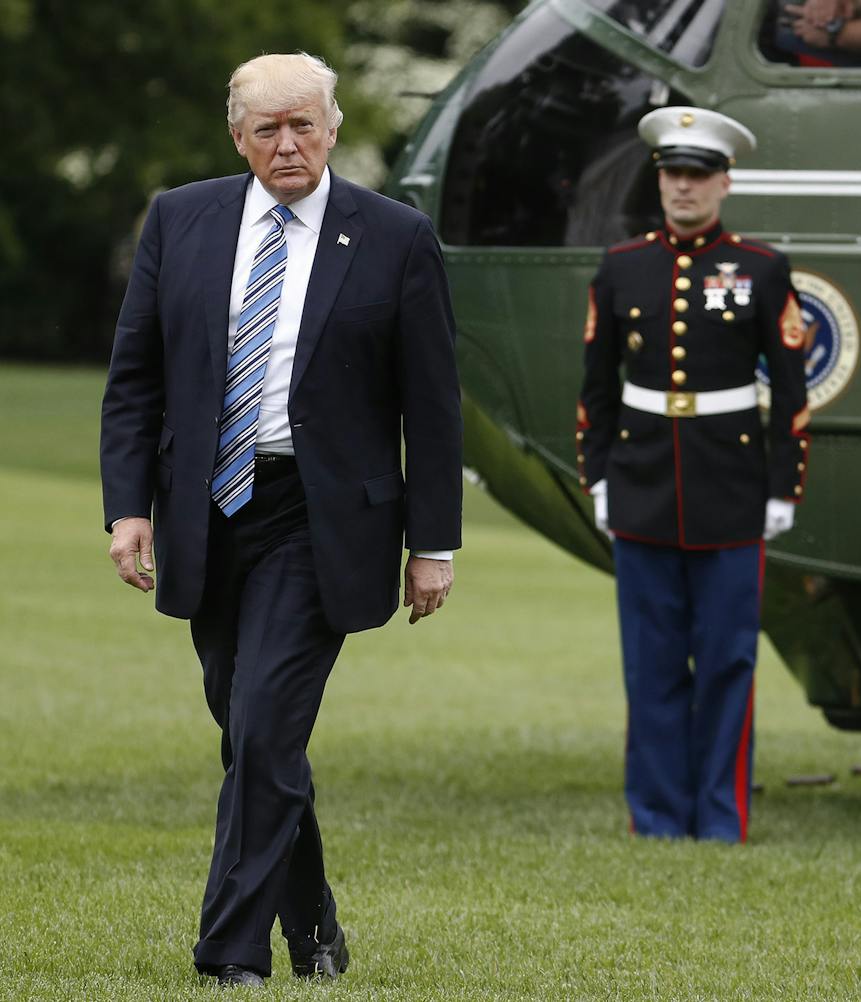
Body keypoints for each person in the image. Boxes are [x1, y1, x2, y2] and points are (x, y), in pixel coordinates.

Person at [100, 52, 462, 987]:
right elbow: (134, 377)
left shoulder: (393, 236)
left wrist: (434, 545)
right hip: (207, 513)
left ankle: (229, 952)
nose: (289, 143)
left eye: (304, 123)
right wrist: (127, 511)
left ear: (334, 127)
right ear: (239, 137)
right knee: (248, 730)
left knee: (263, 731)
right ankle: (317, 933)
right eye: (268, 128)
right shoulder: (180, 220)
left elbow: (433, 403)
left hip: (323, 516)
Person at [576, 107, 811, 843]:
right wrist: (599, 474)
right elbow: (596, 386)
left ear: (724, 183)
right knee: (650, 668)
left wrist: (783, 486)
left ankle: (720, 816)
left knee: (725, 663)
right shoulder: (621, 267)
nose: (684, 188)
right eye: (673, 174)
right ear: (661, 181)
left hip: (732, 491)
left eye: (698, 175)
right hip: (643, 484)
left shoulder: (763, 269)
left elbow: (792, 391)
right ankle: (657, 817)